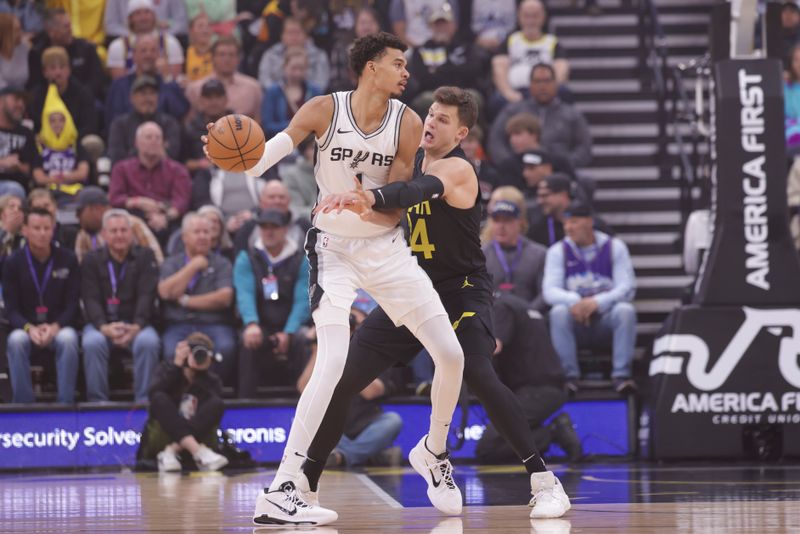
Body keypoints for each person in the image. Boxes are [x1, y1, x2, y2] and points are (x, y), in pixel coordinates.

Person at [204, 33, 465, 526]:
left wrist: (361, 203)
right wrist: (226, 151)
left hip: (385, 250)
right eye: (397, 63)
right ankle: (283, 488)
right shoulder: (325, 109)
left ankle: (433, 450)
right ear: (370, 67)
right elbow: (261, 158)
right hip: (333, 252)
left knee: (451, 354)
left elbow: (394, 214)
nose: (406, 72)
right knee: (333, 361)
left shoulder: (407, 123)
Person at [308, 86, 571, 521]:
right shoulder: (406, 159)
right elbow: (389, 215)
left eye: (443, 119)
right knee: (342, 379)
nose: (431, 122)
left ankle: (543, 482)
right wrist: (354, 206)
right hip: (409, 288)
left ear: (462, 132)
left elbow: (418, 192)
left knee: (479, 373)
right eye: (430, 114)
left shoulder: (459, 170)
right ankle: (304, 489)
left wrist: (372, 196)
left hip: (461, 290)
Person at [542, 201, 637, 395]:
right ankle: (569, 377)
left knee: (626, 311)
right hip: (575, 322)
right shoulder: (558, 251)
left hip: (605, 320)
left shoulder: (614, 247)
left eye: (574, 222)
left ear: (589, 222)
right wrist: (575, 301)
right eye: (565, 223)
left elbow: (627, 288)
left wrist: (597, 303)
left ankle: (621, 376)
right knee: (558, 312)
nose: (568, 228)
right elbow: (549, 291)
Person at [476, 292, 582, 463]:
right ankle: (548, 432)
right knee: (500, 439)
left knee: (487, 449)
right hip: (546, 387)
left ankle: (553, 432)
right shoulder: (519, 303)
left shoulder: (501, 308)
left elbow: (494, 346)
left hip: (534, 391)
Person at [81, 209, 160, 403]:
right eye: (114, 231)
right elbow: (89, 298)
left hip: (137, 324)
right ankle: (98, 403)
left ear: (132, 234)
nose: (119, 235)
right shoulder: (91, 259)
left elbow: (147, 295)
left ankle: (144, 402)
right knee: (92, 343)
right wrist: (103, 327)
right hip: (102, 324)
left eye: (124, 230)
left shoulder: (145, 256)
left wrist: (137, 326)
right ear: (104, 235)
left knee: (149, 342)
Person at [3, 207, 80, 403]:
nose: (42, 233)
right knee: (15, 341)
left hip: (58, 326)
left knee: (69, 339)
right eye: (36, 228)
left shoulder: (68, 258)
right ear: (25, 230)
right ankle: (24, 406)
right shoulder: (13, 262)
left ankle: (66, 404)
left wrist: (55, 327)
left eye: (47, 228)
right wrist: (29, 328)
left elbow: (72, 304)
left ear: (53, 229)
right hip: (27, 327)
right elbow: (11, 309)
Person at [233, 208, 310, 397]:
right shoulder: (247, 257)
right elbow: (245, 294)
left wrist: (289, 331)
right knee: (248, 341)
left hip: (292, 324)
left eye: (274, 227)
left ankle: (303, 402)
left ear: (285, 230)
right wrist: (251, 323)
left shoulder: (302, 260)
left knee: (304, 339)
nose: (269, 231)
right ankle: (245, 404)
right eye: (264, 227)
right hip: (261, 324)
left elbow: (303, 300)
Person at [157, 212, 236, 383]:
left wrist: (185, 300)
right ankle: (179, 393)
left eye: (206, 232)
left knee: (226, 348)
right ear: (185, 237)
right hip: (179, 324)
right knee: (171, 351)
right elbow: (165, 292)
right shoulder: (171, 263)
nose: (202, 236)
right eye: (197, 232)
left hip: (214, 324)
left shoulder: (222, 263)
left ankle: (212, 393)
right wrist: (193, 266)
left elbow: (224, 298)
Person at [138, 332, 229, 472]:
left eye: (202, 353)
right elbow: (153, 396)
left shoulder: (212, 380)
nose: (198, 357)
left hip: (198, 433)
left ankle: (171, 451)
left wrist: (201, 375)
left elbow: (212, 407)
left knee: (216, 403)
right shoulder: (167, 369)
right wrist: (177, 366)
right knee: (159, 398)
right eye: (194, 352)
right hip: (165, 433)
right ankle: (199, 452)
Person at [489, 63, 592, 168]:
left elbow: (584, 147)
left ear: (556, 84)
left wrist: (564, 165)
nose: (542, 86)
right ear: (530, 85)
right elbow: (496, 140)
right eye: (537, 81)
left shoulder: (572, 115)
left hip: (560, 172)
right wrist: (510, 164)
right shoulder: (513, 111)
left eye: (547, 81)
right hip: (519, 170)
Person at [109, 121, 191, 244]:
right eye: (148, 137)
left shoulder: (178, 170)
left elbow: (181, 202)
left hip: (167, 221)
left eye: (158, 138)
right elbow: (115, 198)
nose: (154, 141)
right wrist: (138, 201)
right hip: (132, 220)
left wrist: (165, 217)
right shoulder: (121, 169)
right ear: (137, 143)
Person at [490, 0, 569, 110]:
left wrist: (546, 91)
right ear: (519, 16)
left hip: (545, 92)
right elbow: (499, 71)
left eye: (535, 16)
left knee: (564, 92)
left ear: (543, 16)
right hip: (515, 92)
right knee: (497, 99)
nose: (531, 21)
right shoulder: (509, 41)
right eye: (527, 16)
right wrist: (508, 93)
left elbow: (561, 73)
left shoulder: (553, 43)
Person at [26, 8, 107, 103]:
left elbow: (96, 81)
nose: (70, 30)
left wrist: (80, 98)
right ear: (51, 32)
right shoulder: (37, 53)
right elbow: (35, 85)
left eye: (70, 25)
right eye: (66, 26)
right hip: (48, 101)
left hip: (83, 101)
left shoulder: (86, 49)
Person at [482, 199, 548, 311]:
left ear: (520, 222)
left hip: (530, 316)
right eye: (496, 220)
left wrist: (528, 313)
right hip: (493, 316)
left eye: (507, 220)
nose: (501, 226)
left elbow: (545, 292)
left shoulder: (539, 254)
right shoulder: (481, 255)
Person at [73, 186, 164, 265]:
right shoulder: (84, 235)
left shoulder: (133, 224)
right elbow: (83, 270)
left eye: (79, 213)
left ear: (97, 208)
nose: (77, 217)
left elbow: (157, 260)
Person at [106, 74, 183, 165]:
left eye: (152, 93)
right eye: (143, 93)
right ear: (132, 98)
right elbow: (116, 158)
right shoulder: (120, 125)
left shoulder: (169, 123)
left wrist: (134, 151)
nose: (148, 98)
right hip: (129, 176)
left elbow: (173, 156)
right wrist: (155, 150)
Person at [184, 36, 263, 123]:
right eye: (222, 54)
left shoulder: (253, 88)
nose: (227, 59)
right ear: (212, 58)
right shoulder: (196, 88)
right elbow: (190, 122)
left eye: (231, 55)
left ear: (239, 59)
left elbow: (258, 121)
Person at [104, 0, 185, 81]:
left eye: (147, 12)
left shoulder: (170, 43)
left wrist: (166, 75)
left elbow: (175, 83)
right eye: (138, 13)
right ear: (130, 18)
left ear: (154, 16)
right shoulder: (118, 47)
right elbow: (120, 85)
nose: (143, 18)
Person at [261, 47, 322, 138]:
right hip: (281, 142)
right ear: (284, 67)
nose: (297, 73)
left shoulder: (315, 91)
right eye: (293, 68)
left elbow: (321, 122)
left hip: (309, 144)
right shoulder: (273, 92)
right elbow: (268, 126)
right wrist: (297, 125)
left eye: (301, 69)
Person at [257, 17, 330, 92]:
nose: (294, 37)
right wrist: (283, 94)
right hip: (277, 97)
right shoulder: (270, 54)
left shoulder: (319, 55)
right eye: (290, 33)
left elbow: (321, 82)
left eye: (298, 32)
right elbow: (264, 80)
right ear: (282, 36)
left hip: (311, 97)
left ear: (306, 35)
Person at [0, 85, 39, 199]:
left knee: (15, 189)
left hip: (19, 189)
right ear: (1, 101)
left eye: (23, 101)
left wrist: (18, 166)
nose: (21, 105)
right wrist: (3, 163)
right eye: (16, 99)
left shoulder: (26, 133)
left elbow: (33, 168)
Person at [0, 13, 28, 91]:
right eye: (16, 30)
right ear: (5, 32)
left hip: (24, 95)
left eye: (20, 29)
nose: (21, 33)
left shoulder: (24, 48)